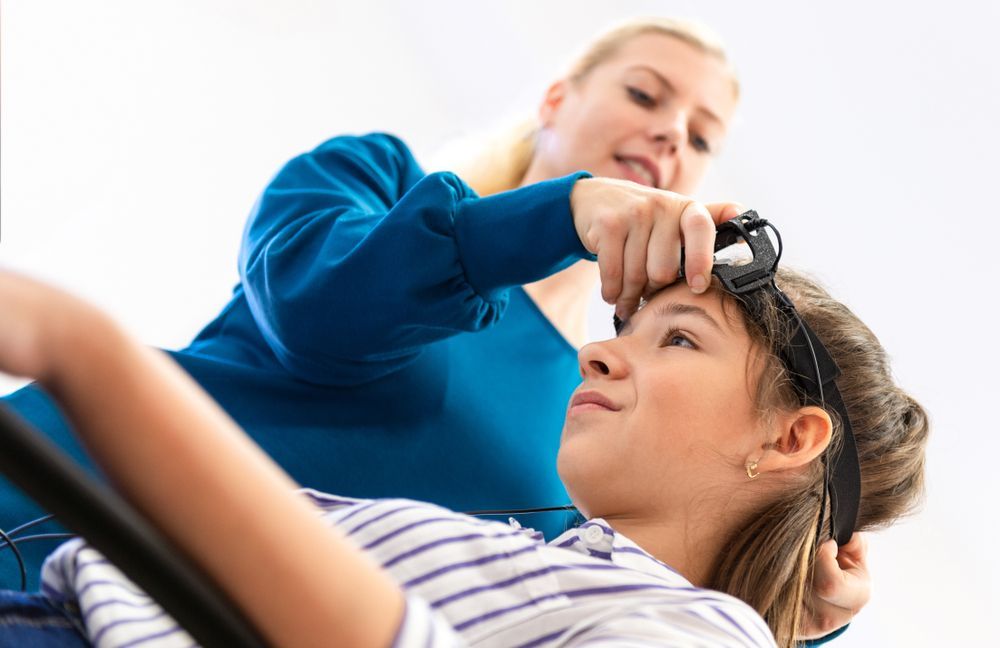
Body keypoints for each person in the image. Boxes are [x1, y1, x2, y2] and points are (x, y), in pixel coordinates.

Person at [0, 18, 869, 638]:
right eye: (646, 93)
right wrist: (562, 214)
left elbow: (597, 602)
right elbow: (315, 309)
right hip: (35, 512)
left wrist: (797, 600)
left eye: (699, 135)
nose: (668, 132)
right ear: (556, 100)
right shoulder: (373, 182)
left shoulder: (612, 429)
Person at [0, 264, 927, 648]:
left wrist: (93, 357)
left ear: (791, 435)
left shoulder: (709, 636)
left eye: (678, 339)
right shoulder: (561, 567)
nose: (601, 353)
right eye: (626, 328)